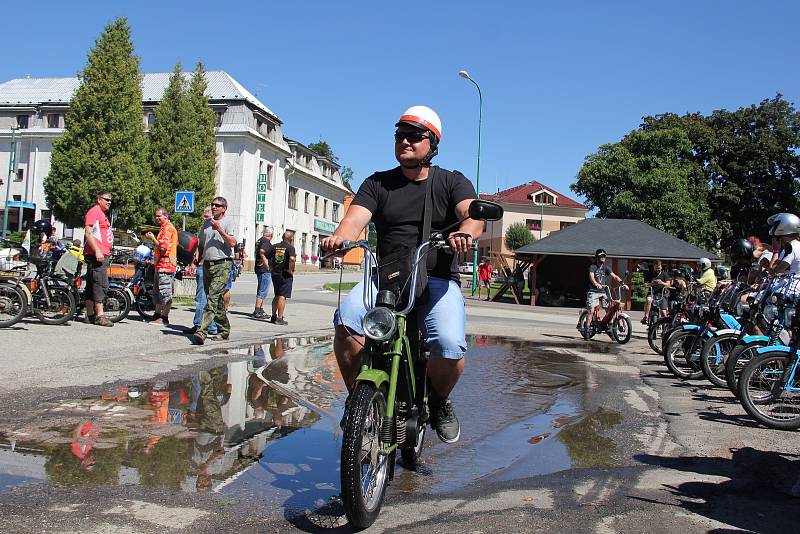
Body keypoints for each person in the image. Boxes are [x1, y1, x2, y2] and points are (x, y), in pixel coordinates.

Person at [321, 105, 481, 444]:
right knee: (348, 322)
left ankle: (438, 403)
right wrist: (339, 236)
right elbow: (354, 220)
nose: (405, 141)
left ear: (432, 143)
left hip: (436, 277)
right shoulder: (378, 183)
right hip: (387, 279)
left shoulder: (451, 181)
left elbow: (472, 216)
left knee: (450, 344)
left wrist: (464, 232)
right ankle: (358, 402)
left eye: (414, 136)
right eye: (400, 135)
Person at [192, 197, 237, 345]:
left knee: (212, 298)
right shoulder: (206, 223)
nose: (214, 207)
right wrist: (197, 257)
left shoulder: (228, 222)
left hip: (223, 264)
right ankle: (224, 330)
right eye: (212, 205)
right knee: (216, 300)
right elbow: (201, 243)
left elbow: (232, 242)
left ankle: (202, 331)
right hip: (207, 264)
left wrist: (219, 229)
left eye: (217, 205)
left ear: (224, 208)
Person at [83, 191, 115, 327]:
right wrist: (97, 250)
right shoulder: (94, 211)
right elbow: (88, 232)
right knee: (100, 283)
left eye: (110, 200)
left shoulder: (102, 214)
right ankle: (100, 315)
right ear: (98, 200)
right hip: (97, 255)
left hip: (101, 254)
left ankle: (90, 314)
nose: (109, 202)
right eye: (106, 199)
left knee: (91, 284)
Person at [145, 207, 178, 325]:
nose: (157, 218)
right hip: (160, 265)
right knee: (157, 292)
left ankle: (164, 317)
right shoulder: (163, 228)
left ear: (166, 216)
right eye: (156, 216)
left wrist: (152, 238)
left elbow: (163, 248)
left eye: (159, 216)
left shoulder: (168, 229)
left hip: (166, 265)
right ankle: (157, 314)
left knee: (165, 292)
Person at [188, 208, 217, 336]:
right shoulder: (203, 229)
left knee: (209, 298)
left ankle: (205, 326)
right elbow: (199, 246)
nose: (205, 219)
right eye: (204, 217)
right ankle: (203, 325)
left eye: (207, 217)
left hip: (213, 265)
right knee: (201, 297)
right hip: (202, 265)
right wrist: (194, 263)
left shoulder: (217, 227)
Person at [586, 248, 624, 321]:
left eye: (604, 256)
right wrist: (596, 283)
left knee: (609, 309)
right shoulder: (593, 267)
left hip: (603, 292)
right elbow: (591, 277)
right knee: (591, 310)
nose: (603, 258)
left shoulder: (605, 268)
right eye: (601, 256)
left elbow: (614, 276)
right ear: (597, 257)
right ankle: (587, 327)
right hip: (593, 291)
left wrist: (622, 283)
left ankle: (608, 325)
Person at [269, 230, 296, 325]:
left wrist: (271, 268)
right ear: (291, 239)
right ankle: (280, 318)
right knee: (282, 296)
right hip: (285, 274)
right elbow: (292, 259)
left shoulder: (274, 246)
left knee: (277, 294)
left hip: (275, 273)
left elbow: (269, 258)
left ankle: (273, 316)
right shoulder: (290, 248)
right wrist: (290, 269)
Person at [253, 227, 274, 318]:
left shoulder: (259, 240)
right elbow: (262, 252)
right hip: (264, 269)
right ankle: (257, 310)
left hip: (259, 267)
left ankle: (260, 309)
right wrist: (267, 265)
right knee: (263, 289)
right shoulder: (266, 242)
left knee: (261, 287)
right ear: (271, 235)